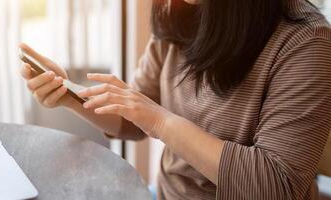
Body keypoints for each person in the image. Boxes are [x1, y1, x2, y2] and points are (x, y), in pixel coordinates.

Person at [20, 0, 331, 199]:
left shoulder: (305, 43)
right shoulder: (179, 10)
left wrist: (161, 121)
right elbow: (134, 118)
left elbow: (277, 187)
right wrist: (70, 95)